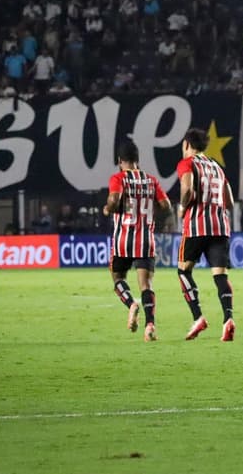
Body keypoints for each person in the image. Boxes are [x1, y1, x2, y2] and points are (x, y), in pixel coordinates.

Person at [103, 139, 171, 342]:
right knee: (146, 285)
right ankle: (150, 326)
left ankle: (131, 304)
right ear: (137, 160)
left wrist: (107, 209)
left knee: (118, 279)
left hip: (123, 240)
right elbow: (166, 205)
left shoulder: (118, 178)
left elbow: (114, 201)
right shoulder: (151, 180)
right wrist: (151, 213)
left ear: (119, 161)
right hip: (145, 239)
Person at [175, 128, 237, 341]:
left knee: (184, 271)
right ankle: (228, 319)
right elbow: (229, 201)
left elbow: (187, 190)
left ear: (186, 144)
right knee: (220, 275)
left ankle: (198, 317)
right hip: (220, 227)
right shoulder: (217, 166)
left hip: (196, 227)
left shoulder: (187, 163)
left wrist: (182, 207)